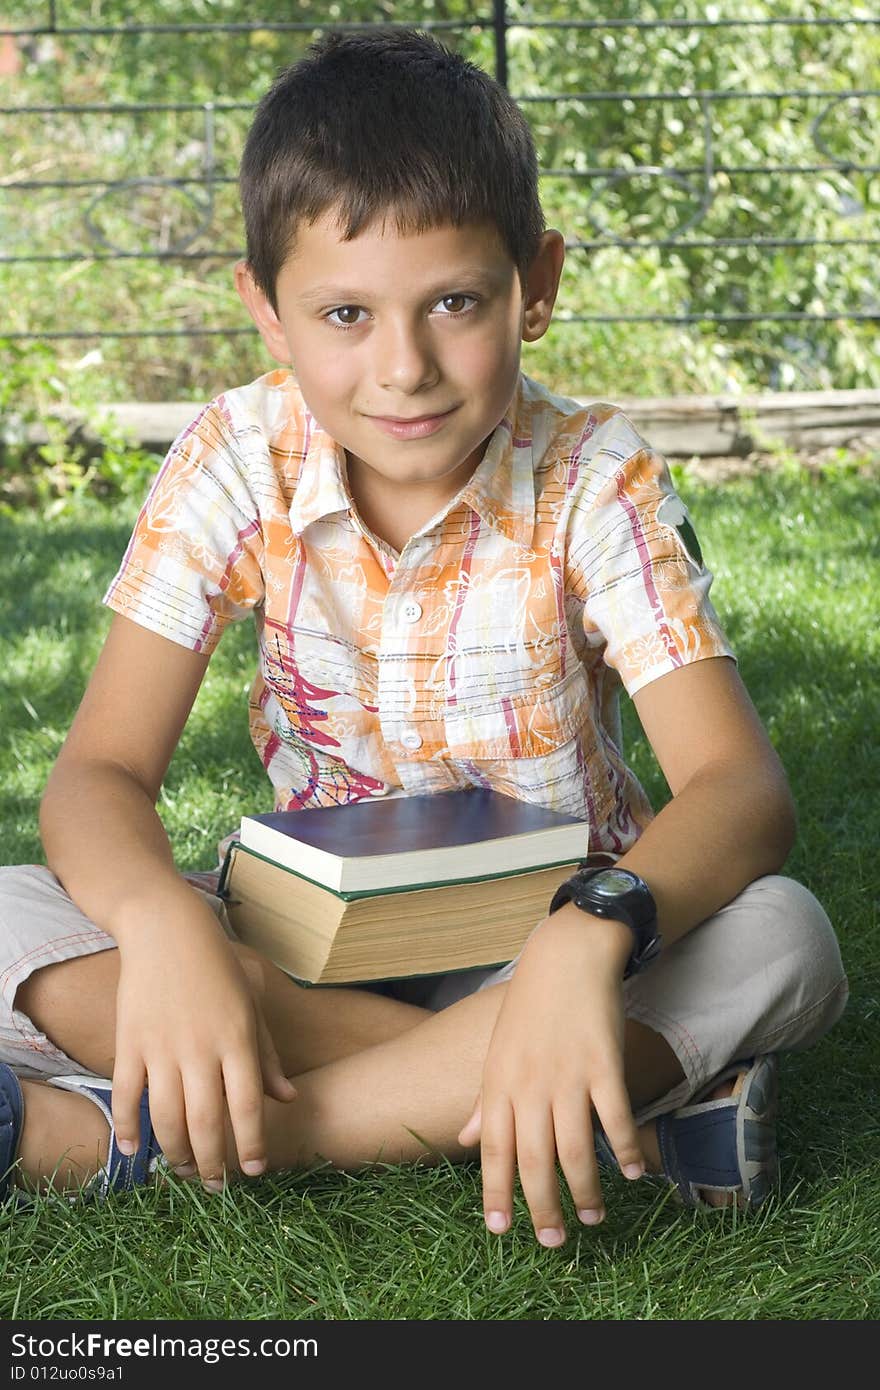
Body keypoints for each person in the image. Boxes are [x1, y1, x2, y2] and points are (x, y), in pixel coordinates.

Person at [0, 28, 847, 1247]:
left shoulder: (593, 478)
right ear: (268, 312)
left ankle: (111, 1141)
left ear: (534, 284)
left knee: (783, 933)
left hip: (556, 950)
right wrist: (169, 928)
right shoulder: (238, 457)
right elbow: (99, 776)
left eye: (454, 301)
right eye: (344, 311)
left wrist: (586, 936)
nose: (402, 367)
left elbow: (738, 788)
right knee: (21, 920)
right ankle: (613, 1127)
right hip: (298, 952)